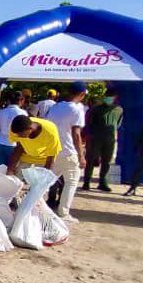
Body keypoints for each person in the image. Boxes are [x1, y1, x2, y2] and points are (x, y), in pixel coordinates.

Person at [45, 82, 88, 222]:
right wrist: (81, 156)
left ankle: (33, 205)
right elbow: (76, 135)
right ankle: (63, 213)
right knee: (71, 182)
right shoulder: (76, 110)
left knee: (47, 182)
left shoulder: (55, 107)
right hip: (68, 152)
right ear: (81, 95)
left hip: (54, 151)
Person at [82, 92, 123, 192]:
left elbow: (118, 124)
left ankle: (103, 182)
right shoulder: (95, 109)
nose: (109, 98)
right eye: (107, 96)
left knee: (106, 161)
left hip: (110, 139)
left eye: (111, 96)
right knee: (91, 160)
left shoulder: (119, 110)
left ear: (115, 97)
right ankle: (86, 181)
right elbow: (89, 124)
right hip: (95, 139)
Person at [0, 91, 27, 167]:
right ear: (22, 101)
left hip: (0, 143)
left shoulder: (1, 112)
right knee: (10, 171)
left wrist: (2, 135)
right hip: (14, 145)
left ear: (9, 100)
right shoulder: (23, 113)